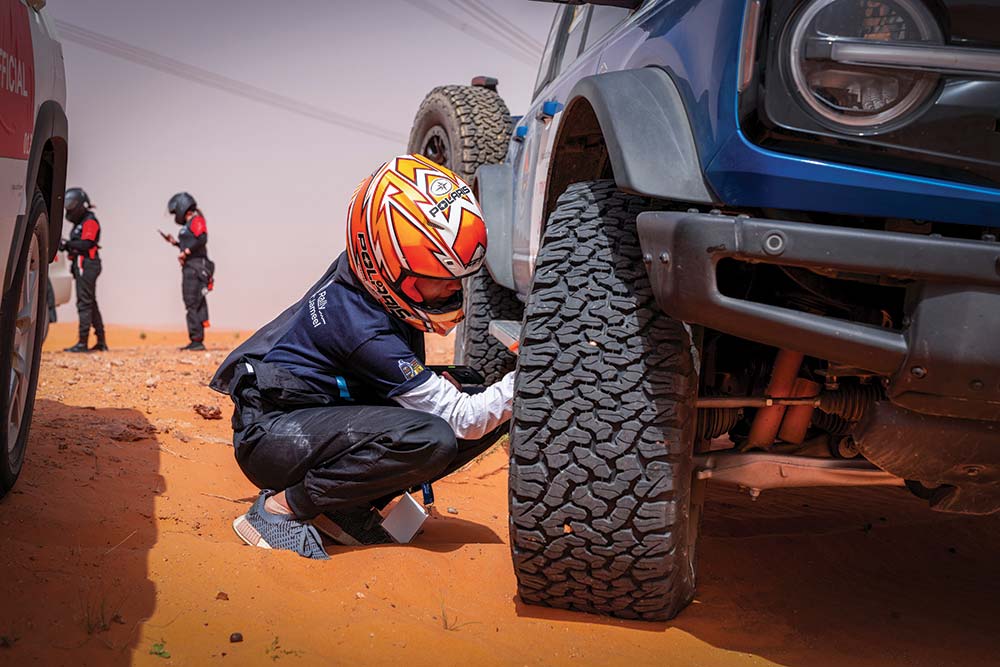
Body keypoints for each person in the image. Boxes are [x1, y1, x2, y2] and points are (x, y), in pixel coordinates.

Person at [209, 155, 512, 558]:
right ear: (388, 264)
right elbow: (463, 420)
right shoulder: (360, 325)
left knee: (473, 387)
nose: (450, 290)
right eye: (436, 278)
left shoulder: (363, 268)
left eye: (457, 278)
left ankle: (344, 503)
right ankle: (282, 508)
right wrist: (531, 377)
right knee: (436, 434)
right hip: (274, 436)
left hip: (318, 410)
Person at [161, 192, 214, 351]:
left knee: (192, 302)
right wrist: (176, 244)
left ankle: (196, 340)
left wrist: (186, 252)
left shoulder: (196, 220)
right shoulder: (187, 226)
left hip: (196, 268)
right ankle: (196, 339)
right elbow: (191, 244)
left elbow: (202, 239)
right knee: (192, 302)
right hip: (189, 267)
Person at [61, 187, 107, 352]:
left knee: (84, 303)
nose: (69, 209)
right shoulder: (81, 223)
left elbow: (87, 243)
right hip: (82, 264)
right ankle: (101, 341)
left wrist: (67, 244)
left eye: (71, 205)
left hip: (87, 264)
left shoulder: (90, 221)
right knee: (90, 302)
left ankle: (82, 343)